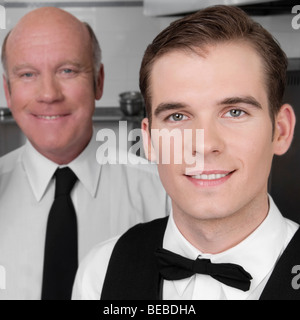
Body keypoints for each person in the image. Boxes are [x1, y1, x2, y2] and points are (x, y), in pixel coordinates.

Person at [73, 5, 300, 300]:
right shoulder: (100, 271)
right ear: (150, 141)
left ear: (280, 131)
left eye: (234, 112)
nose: (205, 145)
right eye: (177, 116)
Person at [0, 7, 169, 300]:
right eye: (27, 74)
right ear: (7, 91)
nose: (49, 94)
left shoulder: (162, 192)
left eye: (67, 70)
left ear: (99, 81)